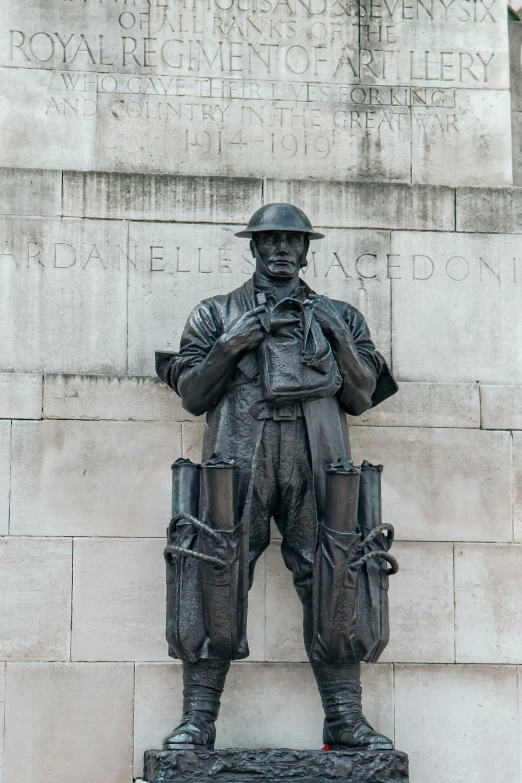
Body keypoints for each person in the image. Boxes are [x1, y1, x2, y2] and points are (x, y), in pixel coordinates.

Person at [156, 203, 398, 752]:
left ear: (307, 249)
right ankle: (198, 721)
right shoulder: (216, 314)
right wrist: (232, 343)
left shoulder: (342, 314)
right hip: (240, 453)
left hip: (318, 454)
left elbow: (361, 396)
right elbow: (193, 395)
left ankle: (344, 719)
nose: (281, 249)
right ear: (254, 248)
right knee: (216, 568)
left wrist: (336, 333)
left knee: (336, 574)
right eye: (270, 241)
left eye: (292, 240)